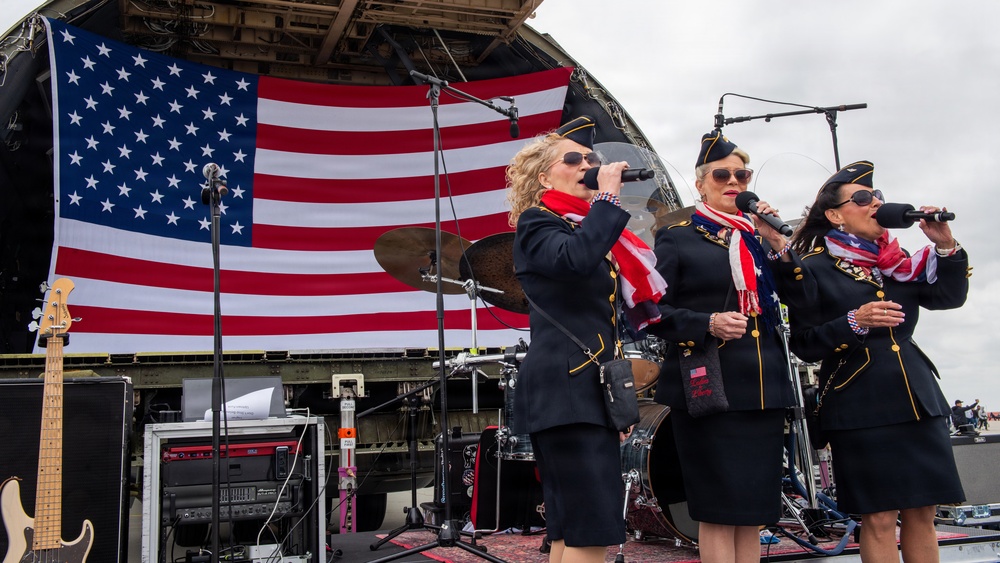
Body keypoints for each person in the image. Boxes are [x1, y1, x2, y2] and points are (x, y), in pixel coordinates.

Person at [787, 160, 971, 563]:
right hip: (859, 401)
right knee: (880, 517)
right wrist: (854, 321)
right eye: (864, 198)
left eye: (878, 197)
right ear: (835, 215)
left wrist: (945, 247)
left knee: (924, 512)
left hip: (916, 397)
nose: (876, 204)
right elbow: (804, 343)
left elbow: (948, 297)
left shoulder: (898, 261)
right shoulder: (814, 268)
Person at [508, 116, 667, 563]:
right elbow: (575, 262)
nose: (588, 165)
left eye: (592, 159)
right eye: (574, 159)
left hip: (585, 389)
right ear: (543, 177)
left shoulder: (581, 227)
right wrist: (607, 200)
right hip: (567, 387)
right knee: (591, 526)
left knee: (572, 526)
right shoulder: (538, 224)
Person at [646, 131, 800, 563]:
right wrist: (707, 323)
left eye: (742, 174)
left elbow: (801, 299)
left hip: (763, 390)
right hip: (711, 390)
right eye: (722, 174)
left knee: (751, 512)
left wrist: (776, 243)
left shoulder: (757, 239)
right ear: (701, 183)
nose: (734, 181)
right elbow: (650, 311)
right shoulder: (678, 237)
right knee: (718, 512)